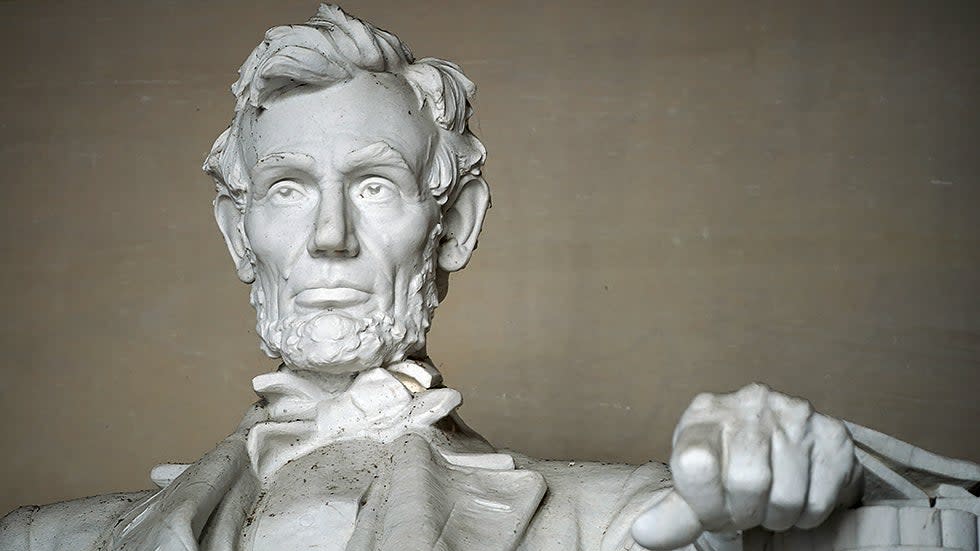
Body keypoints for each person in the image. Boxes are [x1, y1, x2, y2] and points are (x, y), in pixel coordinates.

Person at [1, 5, 976, 551]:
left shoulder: (617, 519)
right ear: (236, 227)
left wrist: (800, 467)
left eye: (374, 185)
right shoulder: (49, 540)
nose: (330, 236)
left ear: (452, 221)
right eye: (290, 189)